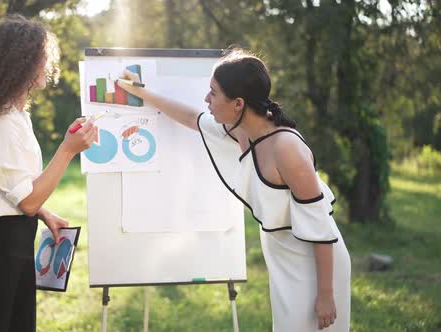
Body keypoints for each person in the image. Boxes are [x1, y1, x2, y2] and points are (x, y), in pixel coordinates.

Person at [118, 49, 351, 331]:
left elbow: (321, 227)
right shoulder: (240, 131)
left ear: (238, 103)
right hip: (284, 258)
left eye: (213, 93)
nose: (207, 100)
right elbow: (192, 118)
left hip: (317, 267)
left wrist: (326, 295)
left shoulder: (286, 148)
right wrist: (142, 93)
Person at [0, 15, 96, 332]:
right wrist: (68, 150)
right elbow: (26, 200)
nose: (47, 64)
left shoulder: (16, 116)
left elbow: (14, 190)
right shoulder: (0, 121)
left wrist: (44, 214)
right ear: (22, 62)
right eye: (42, 56)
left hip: (14, 242)